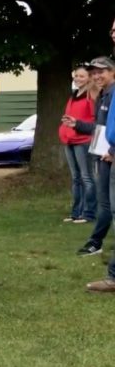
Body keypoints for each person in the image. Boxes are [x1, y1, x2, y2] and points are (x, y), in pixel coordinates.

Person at [64, 58, 115, 261]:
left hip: (111, 155)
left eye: (101, 72)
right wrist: (77, 124)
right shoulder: (103, 95)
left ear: (112, 71)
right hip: (103, 156)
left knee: (110, 204)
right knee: (105, 204)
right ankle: (96, 242)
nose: (96, 76)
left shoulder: (113, 94)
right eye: (93, 73)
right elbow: (100, 129)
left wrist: (113, 150)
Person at [59, 64, 97, 224]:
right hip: (69, 140)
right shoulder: (74, 95)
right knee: (76, 178)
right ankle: (76, 213)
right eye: (76, 75)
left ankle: (89, 213)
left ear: (89, 78)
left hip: (83, 141)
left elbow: (95, 121)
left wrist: (77, 124)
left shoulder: (91, 95)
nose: (78, 78)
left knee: (87, 177)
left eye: (82, 76)